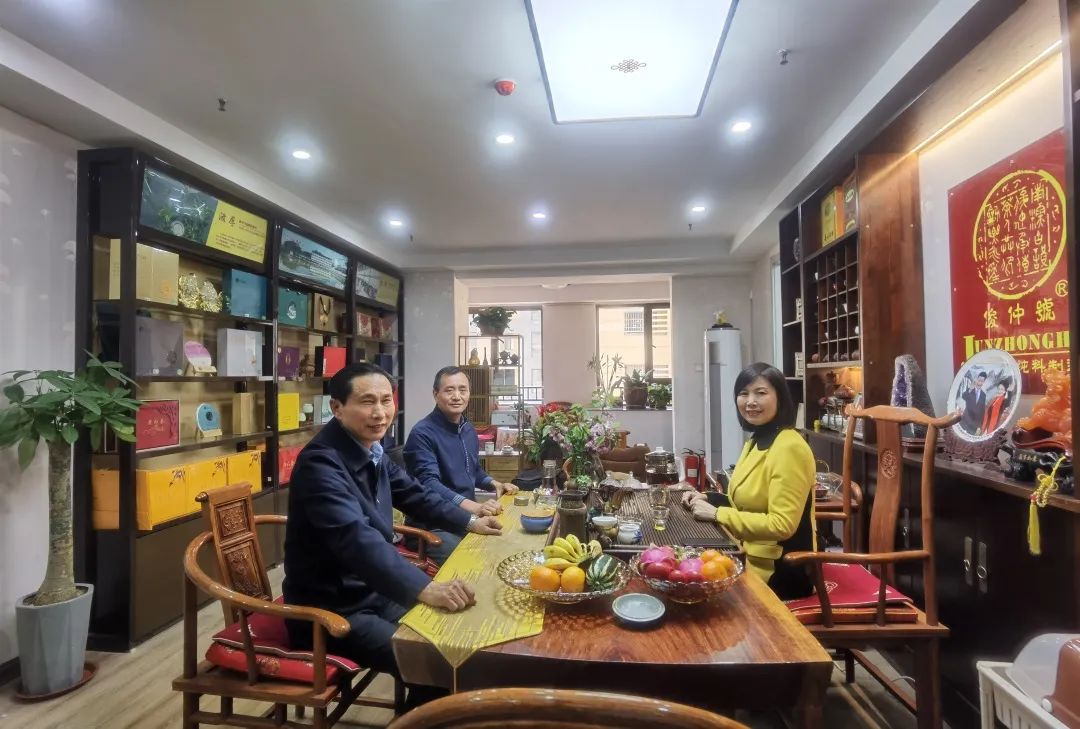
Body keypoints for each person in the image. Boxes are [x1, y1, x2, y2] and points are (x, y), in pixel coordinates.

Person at [282, 362, 502, 697]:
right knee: (434, 658)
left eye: (386, 400)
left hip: (373, 591)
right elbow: (357, 541)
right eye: (367, 401)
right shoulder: (320, 464)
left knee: (456, 633)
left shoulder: (371, 450)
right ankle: (426, 716)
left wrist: (471, 522)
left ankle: (428, 710)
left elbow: (417, 495)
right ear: (337, 408)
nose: (380, 413)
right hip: (331, 609)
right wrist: (425, 588)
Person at [682, 362, 816, 599]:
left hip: (780, 571)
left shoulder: (789, 447)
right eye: (743, 393)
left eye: (761, 393)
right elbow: (743, 502)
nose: (750, 401)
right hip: (746, 553)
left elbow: (782, 525)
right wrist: (707, 497)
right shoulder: (756, 440)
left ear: (780, 398)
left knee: (694, 590)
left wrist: (717, 514)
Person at [403, 366, 519, 563]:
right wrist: (474, 507)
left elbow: (473, 469)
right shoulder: (422, 434)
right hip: (432, 527)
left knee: (508, 544)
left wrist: (495, 484)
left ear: (469, 394)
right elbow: (429, 484)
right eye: (449, 390)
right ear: (435, 394)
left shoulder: (467, 429)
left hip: (464, 519)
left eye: (462, 390)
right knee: (476, 560)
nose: (457, 396)